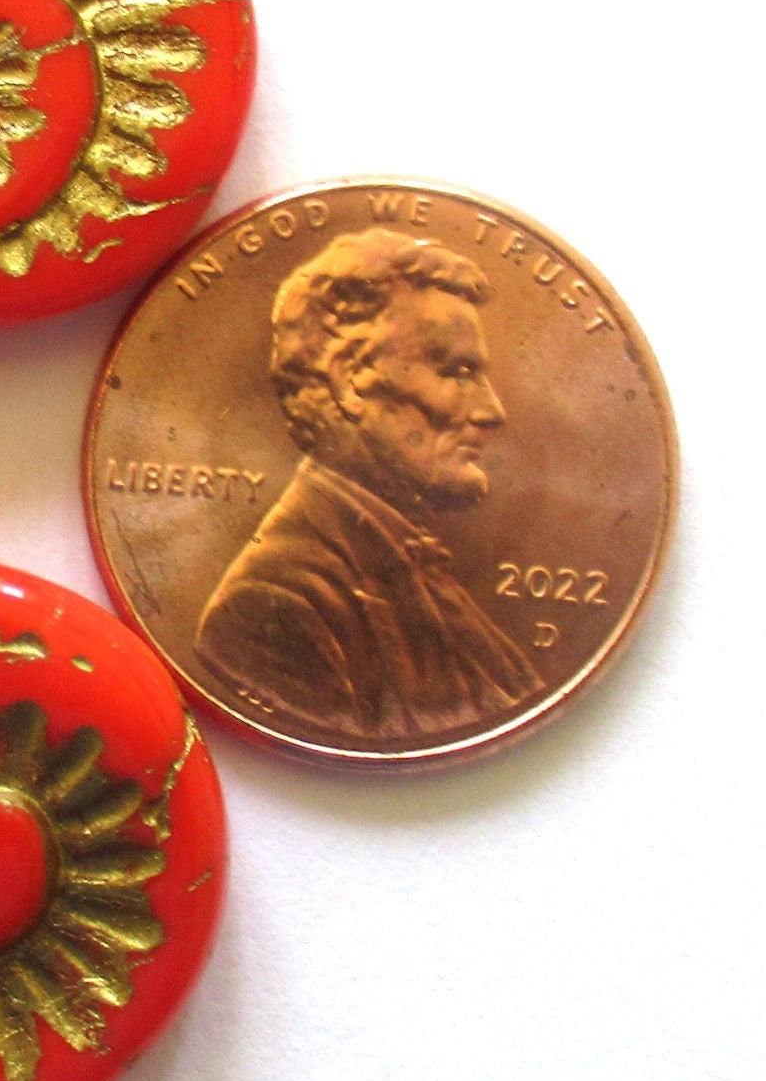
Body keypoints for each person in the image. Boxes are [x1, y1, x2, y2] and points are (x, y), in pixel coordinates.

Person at [196, 228, 542, 740]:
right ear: (350, 380)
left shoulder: (413, 569)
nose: (492, 412)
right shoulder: (273, 608)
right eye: (459, 371)